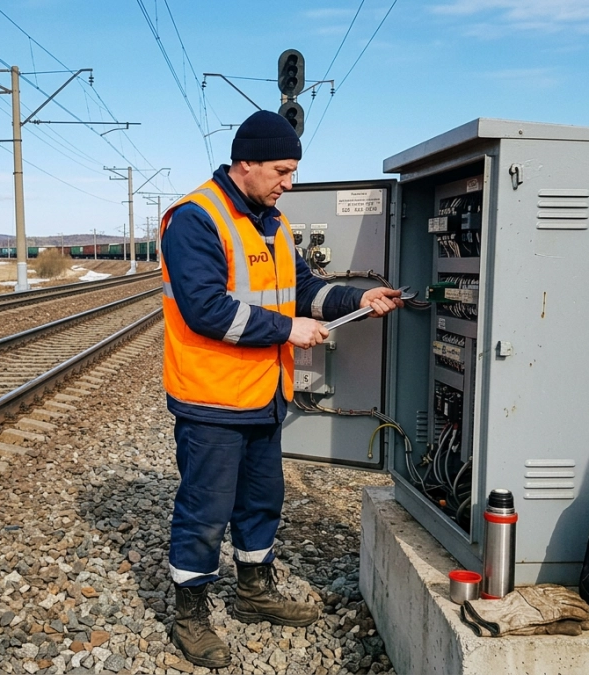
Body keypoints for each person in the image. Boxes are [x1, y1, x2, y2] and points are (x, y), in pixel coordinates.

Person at [159, 110, 404, 668]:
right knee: (204, 510)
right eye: (282, 171)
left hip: (265, 395)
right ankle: (190, 614)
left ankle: (253, 592)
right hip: (212, 400)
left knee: (262, 500)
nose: (289, 183)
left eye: (293, 171)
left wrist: (358, 299)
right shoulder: (196, 219)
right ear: (246, 163)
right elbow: (205, 309)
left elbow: (304, 289)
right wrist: (288, 330)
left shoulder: (270, 221)